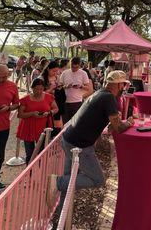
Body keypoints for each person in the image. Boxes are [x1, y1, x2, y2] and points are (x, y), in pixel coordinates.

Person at [46, 70, 135, 211]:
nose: (123, 89)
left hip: (69, 139)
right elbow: (118, 127)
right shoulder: (109, 98)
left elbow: (111, 126)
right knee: (97, 179)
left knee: (70, 180)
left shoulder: (100, 93)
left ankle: (61, 216)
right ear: (118, 85)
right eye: (123, 85)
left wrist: (116, 122)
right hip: (79, 144)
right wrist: (129, 123)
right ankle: (57, 182)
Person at [17, 77, 58, 165]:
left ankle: (39, 172)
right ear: (32, 88)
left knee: (41, 153)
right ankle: (29, 174)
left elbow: (56, 109)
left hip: (43, 128)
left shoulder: (49, 97)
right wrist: (32, 113)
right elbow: (20, 114)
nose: (39, 91)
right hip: (28, 128)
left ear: (44, 88)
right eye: (36, 89)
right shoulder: (26, 99)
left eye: (41, 89)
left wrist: (49, 113)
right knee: (30, 154)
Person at [0, 65, 19, 191]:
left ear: (9, 74)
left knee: (0, 155)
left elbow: (16, 104)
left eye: (4, 77)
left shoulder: (12, 86)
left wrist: (8, 108)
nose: (0, 80)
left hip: (3, 126)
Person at [59, 57, 90, 123]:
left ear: (79, 65)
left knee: (76, 123)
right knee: (65, 124)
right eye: (73, 67)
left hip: (77, 102)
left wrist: (81, 86)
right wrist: (66, 86)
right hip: (65, 102)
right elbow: (59, 87)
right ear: (70, 64)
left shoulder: (83, 73)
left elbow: (88, 88)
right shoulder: (65, 73)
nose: (74, 69)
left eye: (76, 67)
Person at [41, 61, 63, 136]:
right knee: (47, 122)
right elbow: (39, 94)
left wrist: (60, 87)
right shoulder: (42, 79)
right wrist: (51, 89)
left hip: (56, 101)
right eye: (54, 71)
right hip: (45, 103)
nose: (55, 73)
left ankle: (53, 137)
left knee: (57, 122)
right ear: (48, 69)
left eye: (57, 71)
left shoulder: (56, 77)